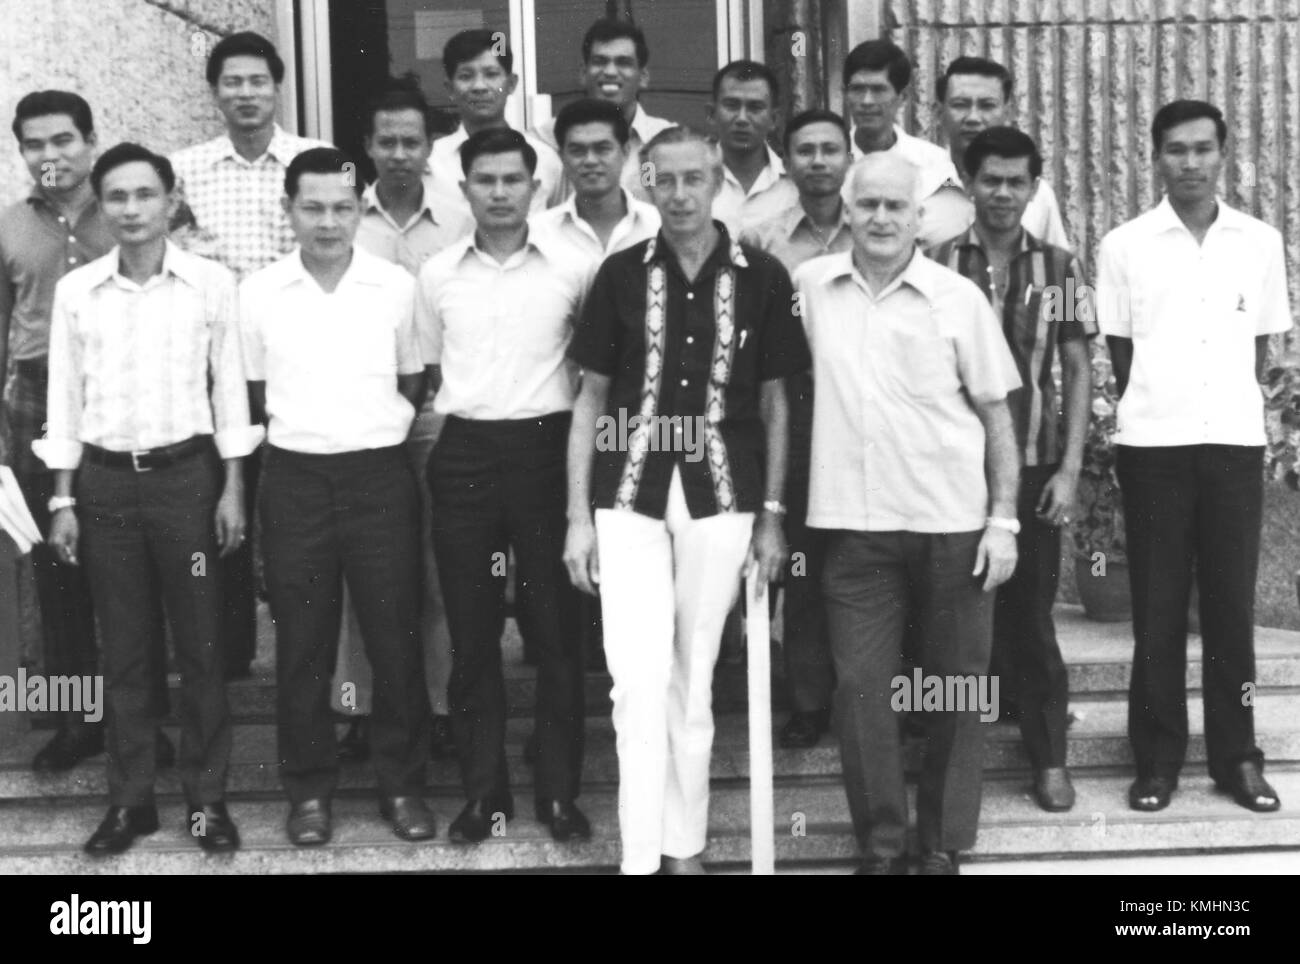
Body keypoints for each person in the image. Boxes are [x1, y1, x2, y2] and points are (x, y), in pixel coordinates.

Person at [565, 126, 809, 875]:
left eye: (692, 180)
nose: (678, 196)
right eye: (664, 181)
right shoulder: (618, 275)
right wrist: (578, 518)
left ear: (716, 184)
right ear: (646, 183)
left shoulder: (765, 277)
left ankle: (685, 850)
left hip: (723, 492)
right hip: (628, 491)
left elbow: (776, 403)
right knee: (636, 679)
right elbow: (590, 399)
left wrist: (772, 516)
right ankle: (640, 858)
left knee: (692, 677)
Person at [795, 153, 1021, 875]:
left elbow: (999, 415)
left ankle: (943, 841)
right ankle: (882, 844)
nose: (883, 219)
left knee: (955, 685)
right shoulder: (812, 289)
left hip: (953, 526)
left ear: (920, 218)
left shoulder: (959, 299)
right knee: (862, 688)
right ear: (848, 212)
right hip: (855, 530)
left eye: (897, 206)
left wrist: (1004, 519)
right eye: (869, 206)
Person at [39, 143, 261, 855]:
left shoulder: (210, 284)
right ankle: (130, 801)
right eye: (117, 197)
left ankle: (207, 802)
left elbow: (229, 389)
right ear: (101, 206)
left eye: (144, 195)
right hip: (104, 487)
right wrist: (63, 499)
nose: (131, 210)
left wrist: (232, 488)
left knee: (200, 646)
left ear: (170, 200)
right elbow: (63, 400)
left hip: (186, 484)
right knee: (125, 651)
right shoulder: (79, 291)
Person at [1097, 100, 1289, 815]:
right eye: (1175, 150)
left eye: (1203, 149)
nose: (1190, 163)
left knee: (1232, 612)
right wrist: (1160, 405)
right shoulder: (1124, 245)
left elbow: (1259, 346)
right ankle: (1156, 761)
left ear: (1224, 153)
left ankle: (1237, 757)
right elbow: (1121, 353)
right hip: (1153, 446)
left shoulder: (1260, 241)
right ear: (1155, 157)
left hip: (1233, 444)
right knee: (1157, 607)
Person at [241, 148, 433, 846]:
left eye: (342, 207)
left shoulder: (395, 287)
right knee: (302, 642)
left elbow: (414, 379)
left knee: (394, 636)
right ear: (288, 210)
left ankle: (403, 785)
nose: (328, 222)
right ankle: (309, 792)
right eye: (313, 207)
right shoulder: (258, 292)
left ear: (360, 210)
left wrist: (378, 432)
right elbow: (255, 394)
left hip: (379, 476)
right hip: (295, 477)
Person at [417, 128, 592, 844]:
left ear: (535, 187)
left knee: (556, 635)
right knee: (473, 632)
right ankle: (484, 794)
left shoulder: (575, 268)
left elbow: (591, 375)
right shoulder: (436, 275)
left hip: (547, 453)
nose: (498, 193)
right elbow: (431, 372)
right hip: (466, 455)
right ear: (463, 191)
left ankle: (559, 794)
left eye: (511, 180)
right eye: (483, 181)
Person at [931, 127, 1094, 812]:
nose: (1002, 193)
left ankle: (1049, 757)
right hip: (951, 472)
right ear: (969, 183)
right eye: (990, 179)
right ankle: (942, 750)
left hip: (1031, 465)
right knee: (952, 616)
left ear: (1034, 187)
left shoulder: (1057, 267)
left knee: (1030, 614)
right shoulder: (938, 263)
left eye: (1016, 182)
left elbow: (1079, 364)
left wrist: (1070, 470)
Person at [170, 30, 330, 681]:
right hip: (215, 369)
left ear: (277, 86)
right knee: (223, 506)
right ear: (214, 93)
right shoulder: (184, 169)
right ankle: (232, 649)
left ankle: (305, 650)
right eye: (231, 82)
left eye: (256, 80)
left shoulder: (315, 160)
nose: (245, 93)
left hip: (299, 360)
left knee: (296, 512)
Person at [331, 81, 472, 765]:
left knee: (438, 566)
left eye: (411, 141)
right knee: (368, 570)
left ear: (430, 148)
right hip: (361, 416)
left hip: (439, 415)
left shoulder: (459, 217)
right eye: (385, 141)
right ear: (367, 147)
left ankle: (441, 705)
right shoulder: (341, 218)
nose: (398, 154)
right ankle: (362, 704)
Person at [1, 91, 110, 772]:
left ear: (91, 140)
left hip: (115, 395)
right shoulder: (9, 226)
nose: (51, 155)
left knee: (129, 568)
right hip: (36, 399)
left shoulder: (128, 206)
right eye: (35, 144)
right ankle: (78, 719)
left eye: (63, 140)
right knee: (58, 568)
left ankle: (138, 718)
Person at [741, 108, 854, 749]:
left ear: (848, 159)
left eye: (830, 149)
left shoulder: (876, 226)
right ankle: (809, 699)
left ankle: (872, 694)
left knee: (865, 564)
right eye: (805, 149)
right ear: (787, 160)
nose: (818, 160)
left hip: (865, 416)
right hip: (793, 411)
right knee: (804, 564)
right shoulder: (759, 240)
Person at [933, 56, 1070, 249]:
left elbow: (1064, 273)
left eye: (987, 105)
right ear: (939, 113)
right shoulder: (917, 190)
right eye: (960, 104)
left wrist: (1072, 281)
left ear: (1008, 113)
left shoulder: (1039, 195)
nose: (973, 118)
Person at [426, 29, 564, 219]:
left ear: (511, 84)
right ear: (450, 88)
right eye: (466, 76)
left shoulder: (545, 160)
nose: (479, 87)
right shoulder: (431, 162)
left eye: (491, 74)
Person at [840, 39, 965, 247]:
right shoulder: (831, 162)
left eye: (878, 90)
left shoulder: (935, 162)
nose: (867, 101)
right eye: (858, 89)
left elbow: (948, 223)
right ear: (845, 94)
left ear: (903, 97)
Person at [531, 17, 673, 200]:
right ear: (583, 73)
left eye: (623, 62)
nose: (610, 72)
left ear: (643, 77)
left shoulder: (665, 141)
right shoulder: (545, 141)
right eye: (600, 61)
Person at [708, 60, 797, 235]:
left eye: (755, 107)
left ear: (774, 119)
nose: (742, 118)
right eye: (731, 105)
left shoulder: (795, 186)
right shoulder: (690, 180)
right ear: (711, 114)